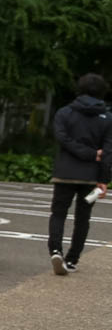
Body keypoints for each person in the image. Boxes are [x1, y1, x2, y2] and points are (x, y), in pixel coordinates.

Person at [49, 72, 112, 276]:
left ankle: (55, 250)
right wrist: (104, 179)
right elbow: (108, 151)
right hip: (91, 178)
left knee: (59, 213)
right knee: (83, 218)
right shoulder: (107, 117)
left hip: (64, 174)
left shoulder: (64, 112)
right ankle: (72, 259)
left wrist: (84, 152)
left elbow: (62, 139)